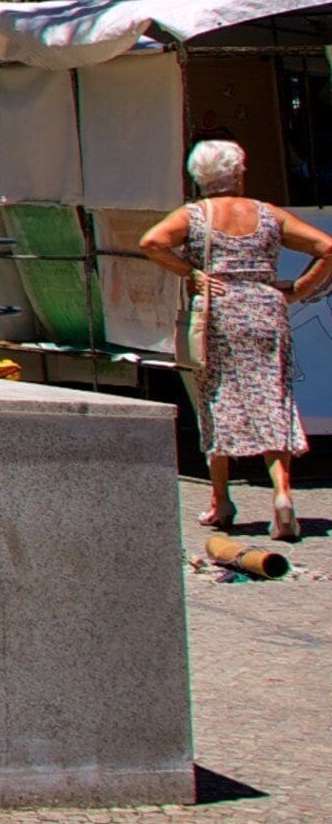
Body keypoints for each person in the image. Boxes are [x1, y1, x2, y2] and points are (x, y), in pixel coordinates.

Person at [139, 138, 332, 538]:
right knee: (272, 397)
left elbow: (151, 242)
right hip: (266, 310)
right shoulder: (267, 214)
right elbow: (327, 248)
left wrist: (189, 273)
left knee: (216, 396)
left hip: (219, 312)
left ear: (199, 177)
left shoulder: (195, 215)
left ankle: (220, 500)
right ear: (238, 173)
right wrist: (297, 290)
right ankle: (282, 493)